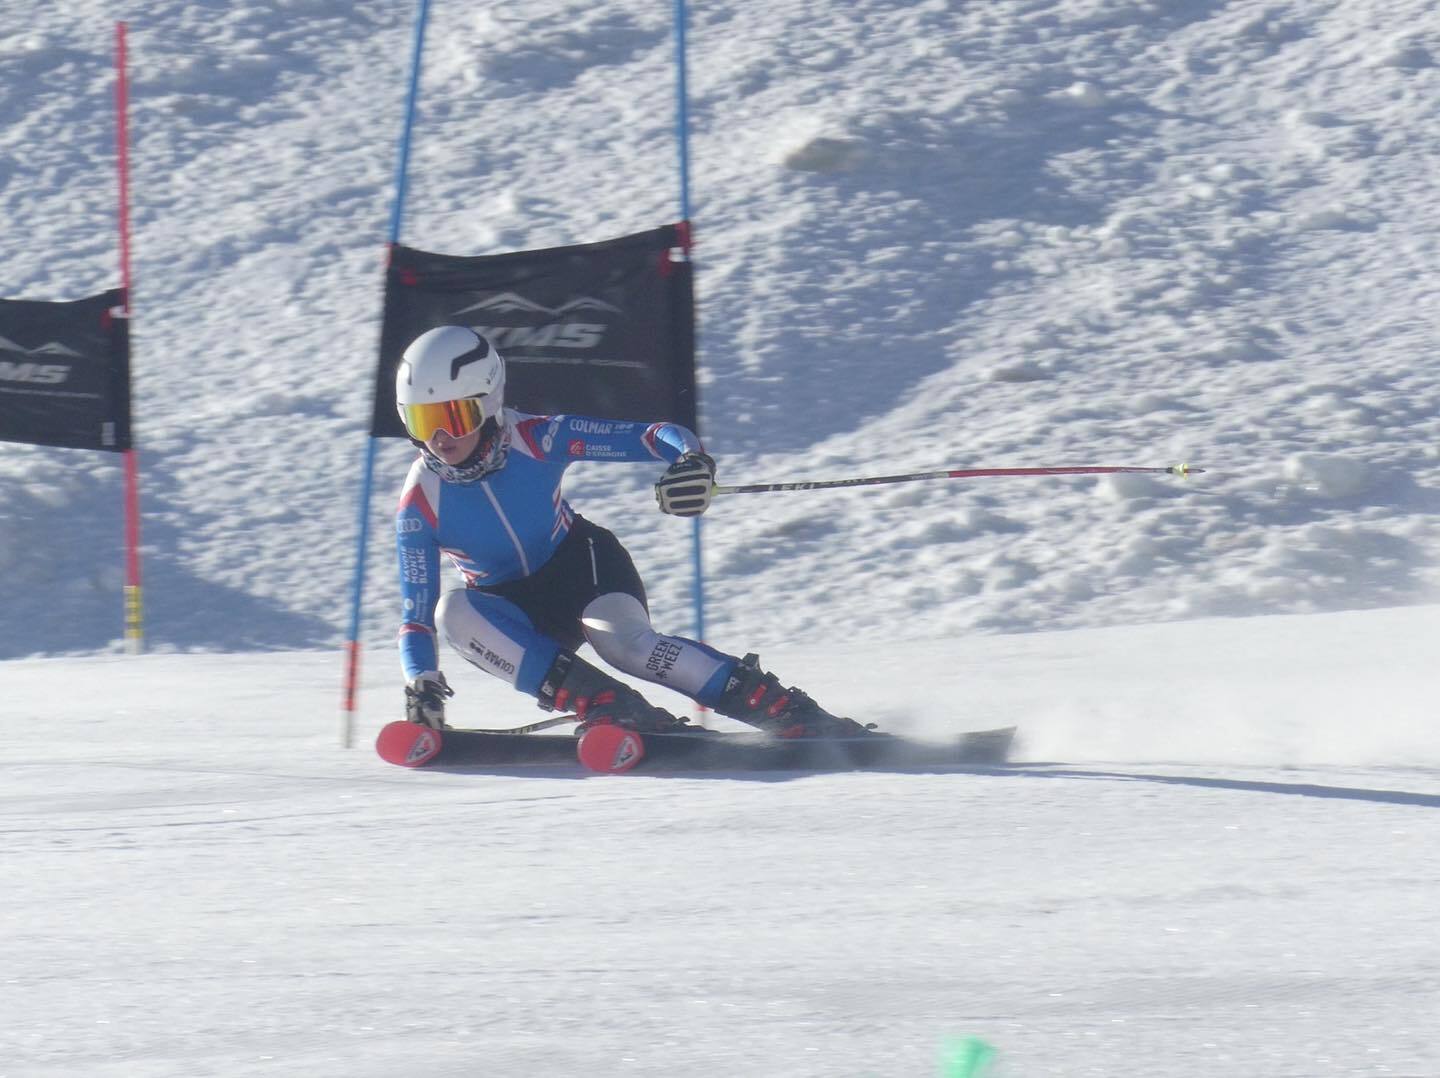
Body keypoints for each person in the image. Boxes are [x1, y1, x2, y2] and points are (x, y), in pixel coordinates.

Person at [393, 324, 870, 739]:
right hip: (514, 612)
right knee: (451, 610)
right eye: (423, 421)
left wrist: (689, 461)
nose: (440, 439)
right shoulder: (420, 504)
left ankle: (781, 708)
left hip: (583, 567)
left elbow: (653, 435)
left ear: (489, 401)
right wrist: (423, 682)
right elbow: (414, 620)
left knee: (626, 645)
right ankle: (611, 707)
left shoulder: (538, 439)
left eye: (453, 417)